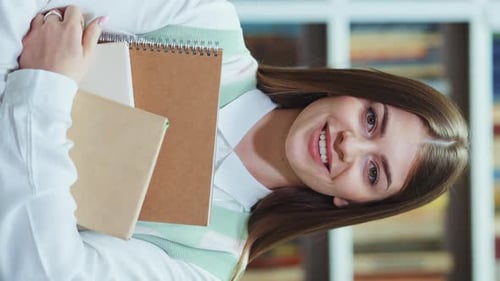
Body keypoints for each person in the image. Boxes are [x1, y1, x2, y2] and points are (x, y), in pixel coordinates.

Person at [0, 1, 468, 280]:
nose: (350, 147)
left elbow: (44, 270)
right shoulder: (204, 20)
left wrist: (45, 87)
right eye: (370, 119)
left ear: (352, 204)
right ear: (352, 88)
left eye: (373, 172)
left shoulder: (206, 264)